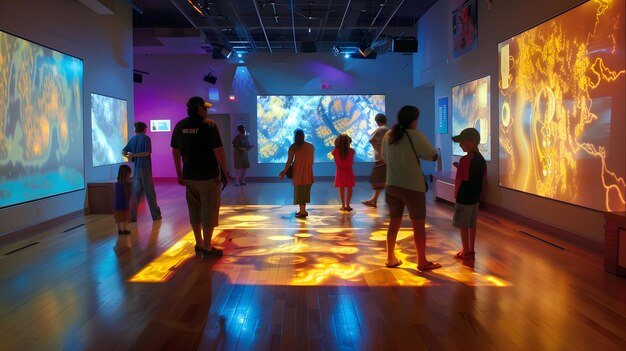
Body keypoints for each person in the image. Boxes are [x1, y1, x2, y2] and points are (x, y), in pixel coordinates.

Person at [381, 105, 440, 271]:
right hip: (413, 187)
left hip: (392, 185)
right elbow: (431, 155)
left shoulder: (389, 135)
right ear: (413, 120)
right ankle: (421, 261)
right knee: (418, 226)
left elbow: (385, 157)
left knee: (394, 224)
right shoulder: (415, 135)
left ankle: (390, 258)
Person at [171, 96, 230, 259]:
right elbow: (219, 151)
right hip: (208, 176)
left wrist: (179, 174)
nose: (207, 110)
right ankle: (208, 247)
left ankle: (198, 244)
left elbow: (175, 152)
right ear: (199, 109)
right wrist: (225, 172)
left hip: (189, 176)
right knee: (209, 211)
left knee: (194, 210)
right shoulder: (209, 125)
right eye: (205, 108)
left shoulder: (180, 126)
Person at [451, 127, 487, 260]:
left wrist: (455, 193)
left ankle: (465, 251)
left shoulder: (465, 160)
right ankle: (471, 249)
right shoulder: (481, 159)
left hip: (464, 197)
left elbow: (460, 179)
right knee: (472, 224)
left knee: (463, 225)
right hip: (475, 197)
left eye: (462, 142)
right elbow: (482, 178)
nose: (460, 145)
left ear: (472, 142)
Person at [122, 121, 162, 222]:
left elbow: (123, 151)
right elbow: (146, 153)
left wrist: (129, 156)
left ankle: (132, 217)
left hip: (136, 169)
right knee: (150, 193)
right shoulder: (146, 138)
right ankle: (156, 216)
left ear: (135, 130)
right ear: (144, 129)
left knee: (136, 193)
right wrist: (134, 155)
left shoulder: (132, 139)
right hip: (145, 168)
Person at [279, 129, 314, 218]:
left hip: (298, 172)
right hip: (308, 172)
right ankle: (303, 210)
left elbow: (289, 161)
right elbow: (312, 161)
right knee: (305, 192)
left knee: (300, 192)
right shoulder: (310, 146)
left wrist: (284, 172)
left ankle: (302, 211)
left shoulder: (293, 147)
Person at [362, 113, 389, 208]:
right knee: (383, 180)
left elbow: (372, 140)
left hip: (381, 159)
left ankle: (374, 200)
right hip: (388, 159)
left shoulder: (380, 130)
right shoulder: (389, 130)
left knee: (379, 180)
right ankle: (374, 200)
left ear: (377, 122)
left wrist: (380, 152)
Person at [332, 134, 355, 211]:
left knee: (341, 187)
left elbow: (334, 150)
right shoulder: (352, 151)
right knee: (349, 188)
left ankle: (343, 205)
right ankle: (348, 205)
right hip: (349, 171)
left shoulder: (335, 151)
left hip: (339, 172)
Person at [113, 164, 132, 235]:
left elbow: (115, 195)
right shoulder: (128, 184)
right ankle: (126, 229)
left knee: (119, 219)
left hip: (117, 207)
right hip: (125, 206)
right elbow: (129, 195)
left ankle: (119, 230)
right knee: (126, 219)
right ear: (126, 175)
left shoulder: (116, 184)